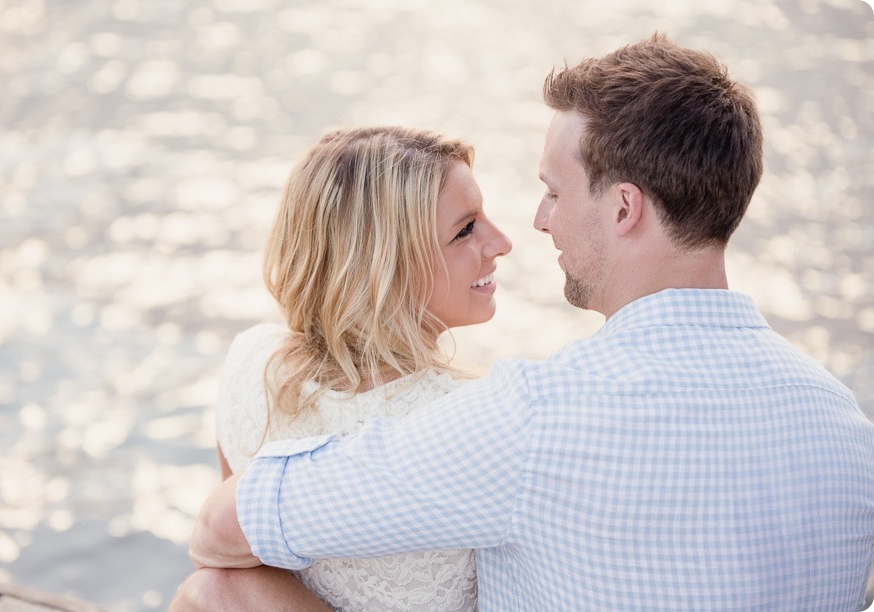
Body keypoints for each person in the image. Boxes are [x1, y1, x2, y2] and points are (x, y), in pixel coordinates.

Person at [185, 34, 874, 610]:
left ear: (624, 208)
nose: (536, 222)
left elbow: (226, 525)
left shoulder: (533, 419)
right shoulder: (845, 429)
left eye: (552, 191)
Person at [172, 126, 512, 610]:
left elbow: (228, 570)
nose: (501, 242)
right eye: (465, 230)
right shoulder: (468, 416)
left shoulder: (252, 362)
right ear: (384, 266)